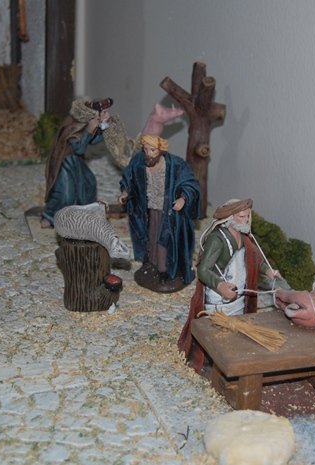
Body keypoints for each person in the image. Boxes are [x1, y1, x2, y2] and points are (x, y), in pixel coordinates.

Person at [178, 198, 282, 372]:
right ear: (230, 217)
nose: (246, 221)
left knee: (235, 328)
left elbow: (254, 258)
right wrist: (220, 286)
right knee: (216, 330)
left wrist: (268, 271)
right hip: (218, 297)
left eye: (248, 216)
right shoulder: (217, 240)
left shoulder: (244, 238)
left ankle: (232, 356)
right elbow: (203, 270)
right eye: (242, 217)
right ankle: (210, 361)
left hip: (238, 294)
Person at [118, 134, 200, 292]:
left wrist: (183, 199)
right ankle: (152, 263)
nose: (148, 153)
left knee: (165, 239)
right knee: (151, 237)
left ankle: (164, 270)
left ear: (161, 150)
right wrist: (125, 192)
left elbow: (190, 183)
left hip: (169, 213)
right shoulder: (139, 162)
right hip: (148, 209)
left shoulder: (175, 164)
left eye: (152, 150)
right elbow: (129, 177)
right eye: (145, 149)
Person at [41, 98, 112, 228]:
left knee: (89, 183)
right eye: (104, 112)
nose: (107, 115)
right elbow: (79, 148)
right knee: (66, 193)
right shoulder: (76, 124)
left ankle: (86, 214)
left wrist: (105, 133)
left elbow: (91, 141)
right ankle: (50, 216)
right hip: (65, 161)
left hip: (76, 160)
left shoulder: (87, 122)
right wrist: (89, 130)